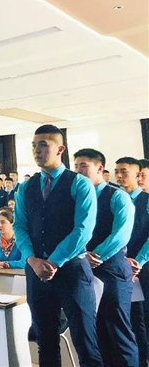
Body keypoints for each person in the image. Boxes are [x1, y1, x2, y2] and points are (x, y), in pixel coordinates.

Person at [14, 124, 101, 366]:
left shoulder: (79, 184)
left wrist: (54, 262)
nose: (37, 150)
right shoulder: (26, 187)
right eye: (34, 145)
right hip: (36, 271)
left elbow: (83, 230)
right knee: (45, 341)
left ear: (60, 149)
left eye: (43, 145)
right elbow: (19, 226)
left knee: (85, 342)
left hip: (71, 270)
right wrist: (32, 259)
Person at [74, 149, 137, 366]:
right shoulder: (78, 198)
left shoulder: (117, 196)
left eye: (83, 166)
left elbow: (121, 234)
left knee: (118, 331)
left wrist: (96, 255)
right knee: (96, 331)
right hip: (85, 271)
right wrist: (82, 254)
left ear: (100, 168)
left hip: (112, 271)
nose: (78, 171)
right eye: (76, 167)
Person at [115, 156, 149, 366]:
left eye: (124, 172)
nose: (119, 176)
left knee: (144, 318)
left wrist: (138, 262)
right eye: (116, 171)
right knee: (130, 318)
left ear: (137, 175)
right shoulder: (115, 199)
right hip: (120, 267)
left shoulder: (146, 200)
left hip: (142, 267)